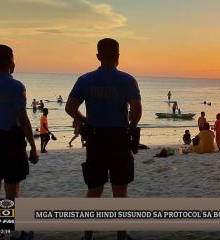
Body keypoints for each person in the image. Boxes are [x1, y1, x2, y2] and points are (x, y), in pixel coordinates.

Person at [65, 38, 142, 240]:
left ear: (98, 56)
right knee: (120, 193)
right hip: (119, 138)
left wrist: (86, 120)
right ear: (118, 56)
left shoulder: (85, 80)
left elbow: (70, 108)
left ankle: (88, 236)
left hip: (96, 139)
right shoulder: (127, 80)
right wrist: (131, 127)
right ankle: (121, 236)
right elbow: (136, 111)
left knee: (94, 191)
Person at [0, 44, 39, 200]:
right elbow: (23, 119)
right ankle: (11, 222)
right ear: (12, 61)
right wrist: (33, 146)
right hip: (12, 141)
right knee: (12, 189)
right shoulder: (16, 86)